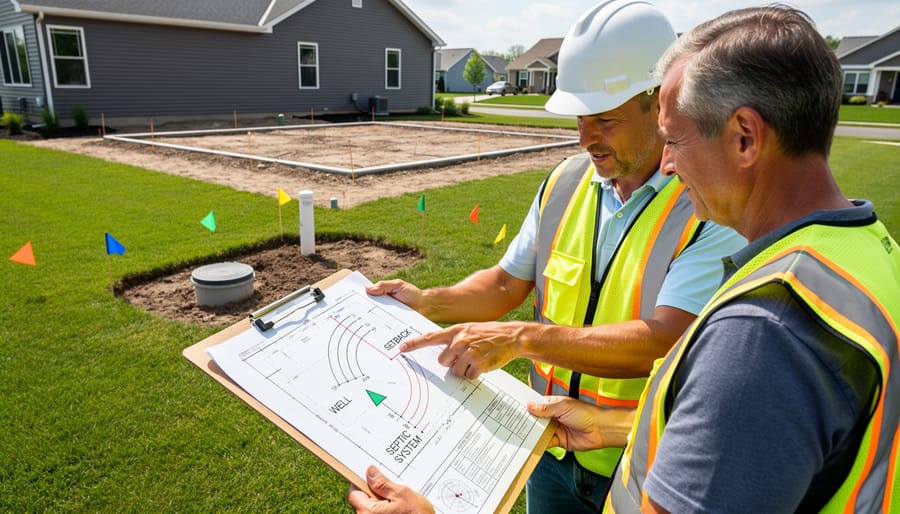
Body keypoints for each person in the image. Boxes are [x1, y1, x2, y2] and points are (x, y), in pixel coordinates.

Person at [361, 1, 745, 512]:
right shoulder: (565, 183)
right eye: (580, 118)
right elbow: (505, 285)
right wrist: (427, 301)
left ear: (661, 105)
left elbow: (667, 339)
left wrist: (521, 338)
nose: (586, 138)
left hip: (636, 458)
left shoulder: (707, 205)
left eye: (605, 120)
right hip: (545, 439)